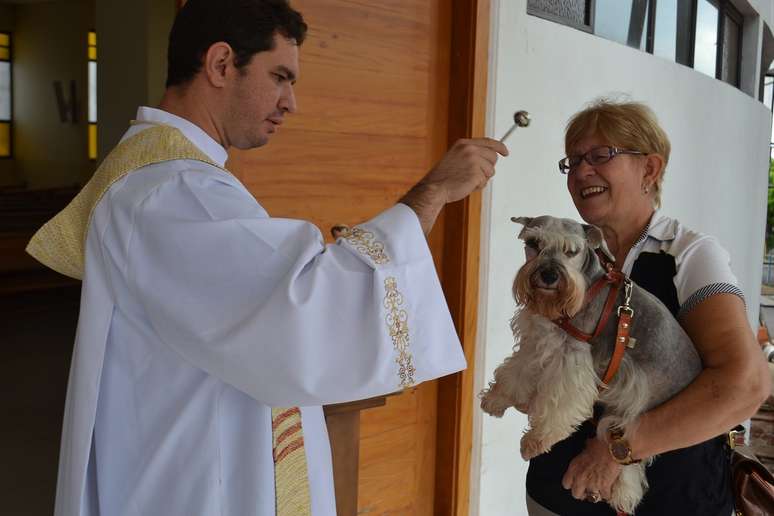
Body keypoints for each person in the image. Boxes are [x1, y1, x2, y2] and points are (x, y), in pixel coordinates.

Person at [26, 1, 508, 515]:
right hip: (194, 483)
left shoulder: (172, 181)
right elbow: (304, 307)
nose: (290, 102)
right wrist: (430, 194)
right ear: (220, 64)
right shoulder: (175, 193)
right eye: (280, 76)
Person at [522, 98, 771, 515]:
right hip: (557, 492)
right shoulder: (569, 256)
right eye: (574, 160)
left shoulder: (688, 256)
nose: (583, 170)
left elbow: (746, 385)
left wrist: (617, 448)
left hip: (669, 498)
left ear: (650, 169)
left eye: (601, 156)